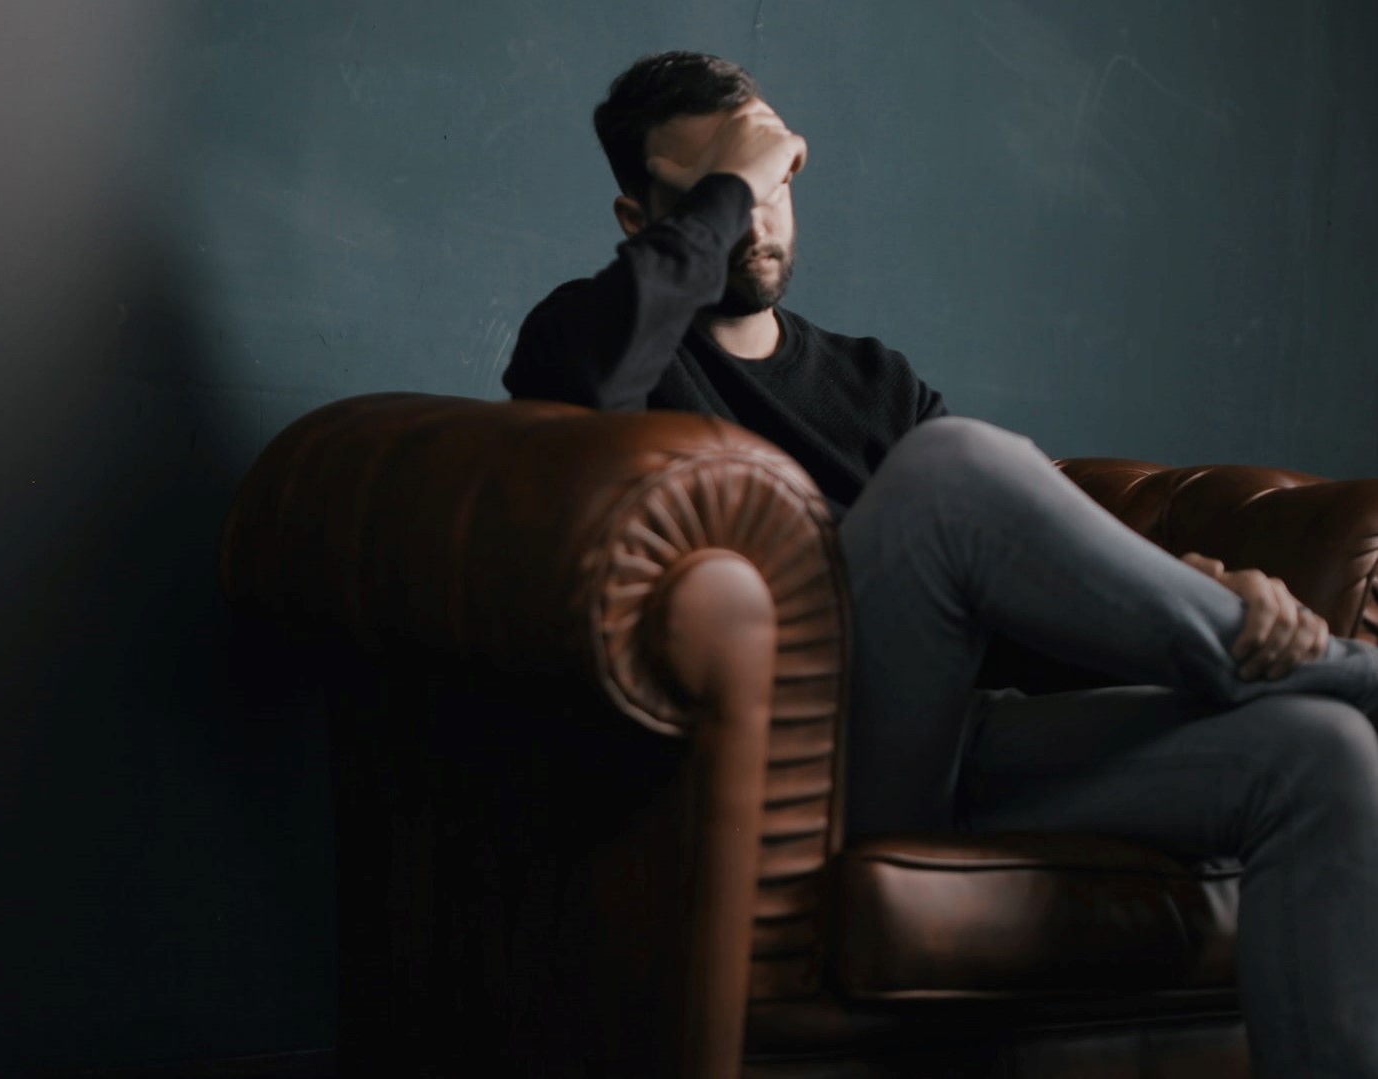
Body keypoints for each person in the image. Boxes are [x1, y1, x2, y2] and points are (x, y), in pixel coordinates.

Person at [503, 50, 1378, 1074]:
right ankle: (1341, 668)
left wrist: (1190, 588)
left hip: (954, 741)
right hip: (806, 769)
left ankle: (1299, 674)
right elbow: (576, 394)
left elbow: (1003, 603)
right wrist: (735, 183)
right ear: (639, 219)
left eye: (773, 176)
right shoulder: (593, 338)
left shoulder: (876, 380)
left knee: (1322, 752)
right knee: (954, 467)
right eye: (715, 188)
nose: (754, 215)